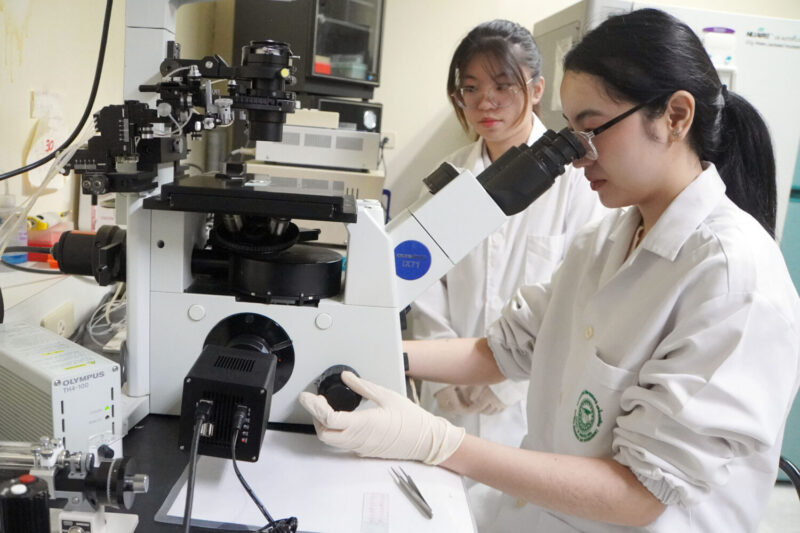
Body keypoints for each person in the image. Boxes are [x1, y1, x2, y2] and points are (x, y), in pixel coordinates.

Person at [299, 8, 800, 532]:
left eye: (593, 129)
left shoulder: (733, 281)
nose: (579, 156)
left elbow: (640, 494)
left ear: (675, 116)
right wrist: (365, 353)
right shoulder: (604, 241)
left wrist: (436, 442)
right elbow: (503, 350)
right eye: (572, 133)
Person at [408, 19, 606, 450]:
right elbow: (422, 280)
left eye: (503, 86)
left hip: (532, 402)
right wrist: (442, 371)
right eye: (471, 88)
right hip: (451, 399)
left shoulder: (578, 184)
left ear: (536, 90)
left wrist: (510, 382)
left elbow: (582, 292)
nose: (486, 102)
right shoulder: (446, 179)